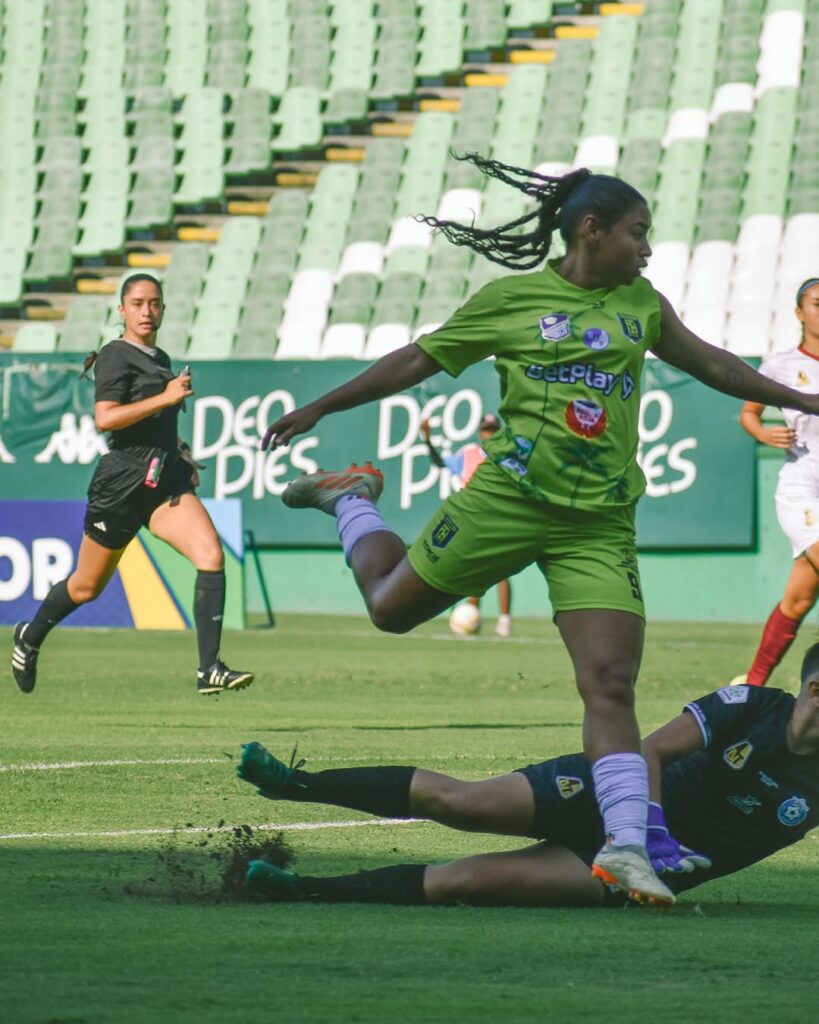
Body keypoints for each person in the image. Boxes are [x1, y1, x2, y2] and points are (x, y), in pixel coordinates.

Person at [260, 155, 819, 905]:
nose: (647, 249)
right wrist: (322, 406)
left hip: (597, 525)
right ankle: (352, 501)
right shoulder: (512, 300)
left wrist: (804, 403)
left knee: (610, 684)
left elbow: (714, 365)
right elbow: (416, 358)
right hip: (507, 501)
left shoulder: (641, 305)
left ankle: (626, 844)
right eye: (637, 233)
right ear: (591, 230)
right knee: (389, 611)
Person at [238, 641, 819, 907]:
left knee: (466, 883)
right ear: (814, 690)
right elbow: (648, 753)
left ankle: (305, 890)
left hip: (641, 877)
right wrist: (650, 831)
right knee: (460, 802)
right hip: (613, 801)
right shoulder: (753, 706)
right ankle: (296, 784)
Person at [10, 274, 253, 697]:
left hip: (163, 480)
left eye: (155, 303)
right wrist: (166, 397)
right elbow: (106, 418)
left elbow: (157, 422)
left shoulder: (160, 355)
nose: (147, 310)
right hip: (121, 483)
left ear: (163, 308)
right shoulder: (115, 355)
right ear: (121, 310)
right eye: (138, 303)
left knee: (211, 555)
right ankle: (29, 636)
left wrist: (179, 451)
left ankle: (208, 668)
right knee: (86, 587)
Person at [734, 278, 819, 686]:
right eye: (817, 304)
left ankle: (751, 686)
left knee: (799, 599)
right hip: (803, 487)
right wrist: (764, 433)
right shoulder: (782, 365)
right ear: (800, 313)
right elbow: (748, 412)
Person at [420, 410, 512, 637]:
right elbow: (439, 462)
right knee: (462, 565)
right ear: (480, 432)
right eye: (486, 430)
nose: (489, 434)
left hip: (496, 515)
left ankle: (504, 621)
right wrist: (428, 440)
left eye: (493, 430)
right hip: (468, 515)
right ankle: (467, 611)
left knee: (501, 570)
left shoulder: (506, 454)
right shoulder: (468, 453)